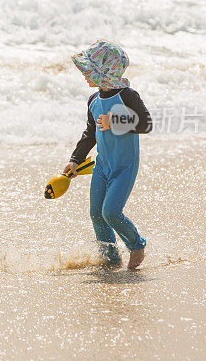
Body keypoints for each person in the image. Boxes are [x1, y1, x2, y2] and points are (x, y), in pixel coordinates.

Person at [63, 39, 152, 270]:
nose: (85, 75)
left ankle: (136, 244)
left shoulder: (128, 96)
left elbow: (146, 123)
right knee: (96, 213)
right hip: (103, 166)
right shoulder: (93, 100)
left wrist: (114, 121)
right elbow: (90, 133)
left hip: (124, 167)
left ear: (104, 72)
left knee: (111, 212)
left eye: (89, 71)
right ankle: (111, 258)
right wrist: (75, 159)